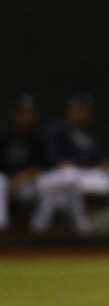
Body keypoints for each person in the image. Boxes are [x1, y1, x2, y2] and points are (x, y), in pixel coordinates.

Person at [44, 93, 109, 235]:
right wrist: (60, 162)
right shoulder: (59, 129)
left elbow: (97, 156)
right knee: (69, 176)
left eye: (86, 110)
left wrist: (104, 162)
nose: (84, 113)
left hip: (91, 172)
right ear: (71, 110)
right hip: (70, 173)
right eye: (80, 109)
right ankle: (82, 228)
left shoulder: (91, 131)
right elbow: (51, 154)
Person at [0, 94, 56, 234]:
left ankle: (38, 229)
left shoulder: (38, 136)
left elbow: (44, 165)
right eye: (23, 112)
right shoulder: (3, 132)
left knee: (50, 183)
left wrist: (25, 175)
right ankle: (3, 227)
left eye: (30, 112)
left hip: (26, 184)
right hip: (5, 182)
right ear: (15, 113)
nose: (27, 116)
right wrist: (12, 179)